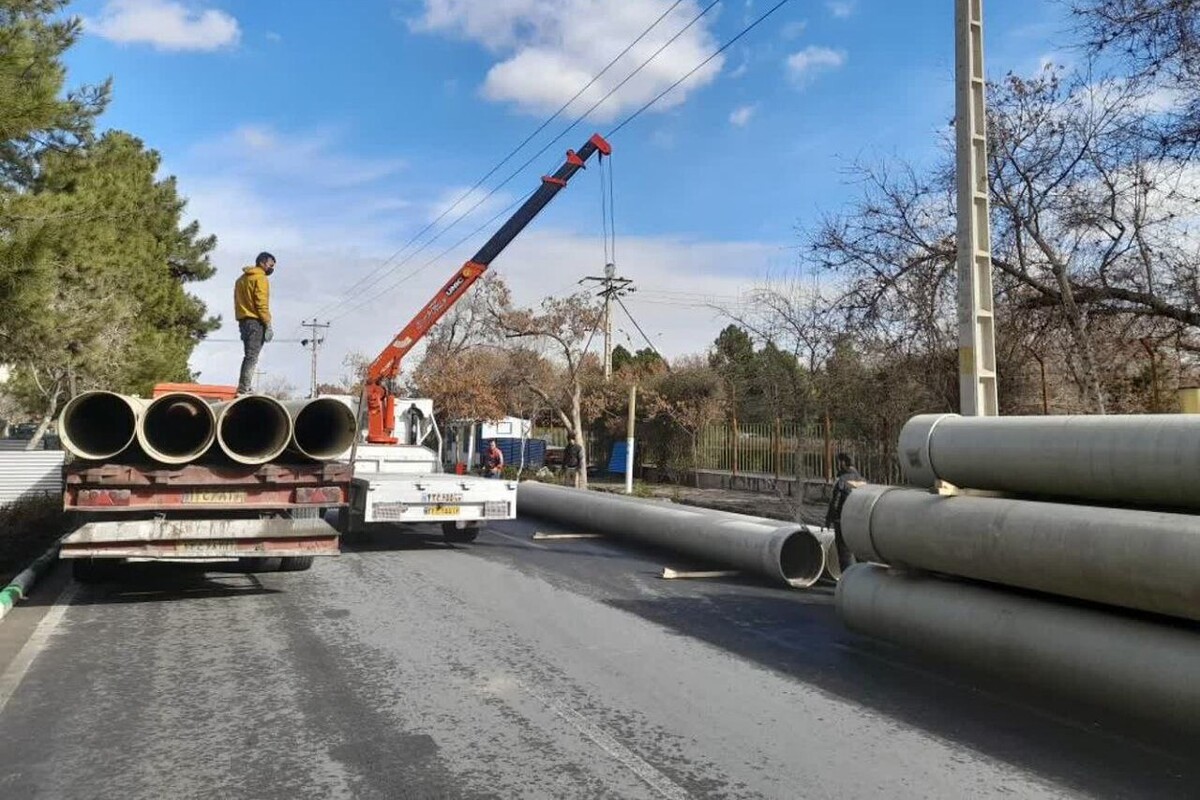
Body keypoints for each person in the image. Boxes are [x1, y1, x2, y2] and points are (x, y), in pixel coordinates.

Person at [234, 251, 276, 395]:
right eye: (270, 265)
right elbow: (261, 304)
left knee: (248, 354)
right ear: (262, 263)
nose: (272, 268)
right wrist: (268, 323)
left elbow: (238, 302)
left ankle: (244, 385)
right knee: (252, 356)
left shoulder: (241, 280)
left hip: (243, 321)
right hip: (256, 322)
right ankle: (244, 387)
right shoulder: (261, 279)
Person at [826, 452, 866, 571]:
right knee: (861, 554)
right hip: (861, 521)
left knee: (845, 553)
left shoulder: (842, 481)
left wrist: (829, 519)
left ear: (843, 463)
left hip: (843, 521)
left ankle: (847, 581)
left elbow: (835, 502)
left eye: (839, 462)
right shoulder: (863, 481)